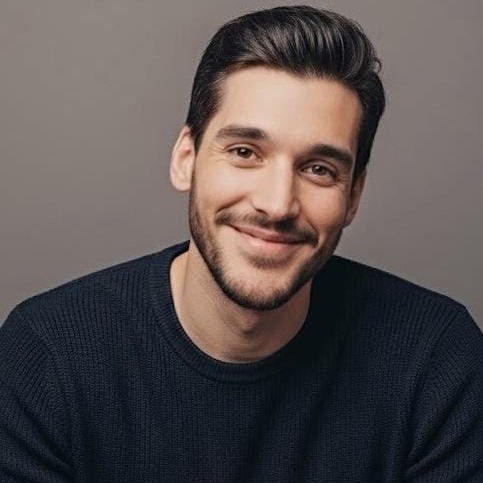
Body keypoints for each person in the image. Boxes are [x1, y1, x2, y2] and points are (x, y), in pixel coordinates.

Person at [0, 5, 481, 482]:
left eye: (319, 169)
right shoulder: (47, 357)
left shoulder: (436, 360)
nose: (277, 204)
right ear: (186, 159)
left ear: (353, 196)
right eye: (245, 152)